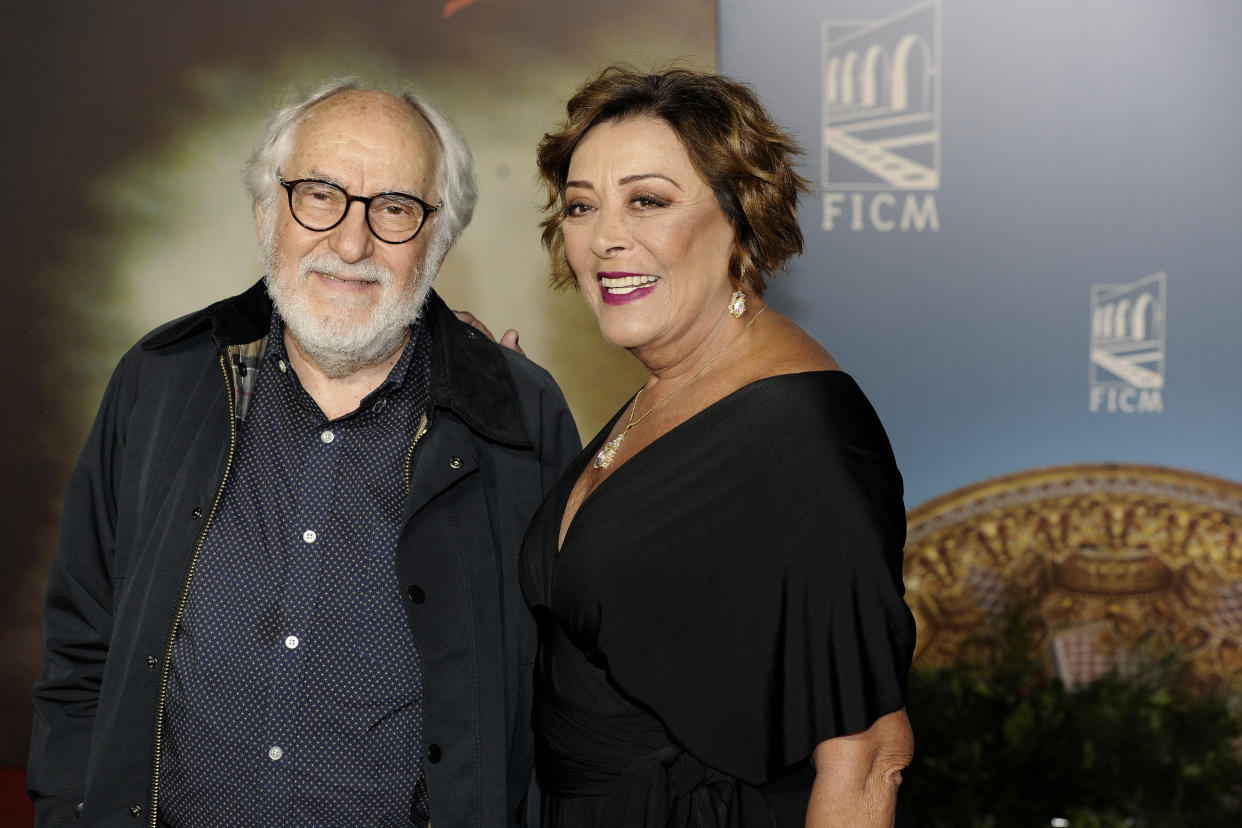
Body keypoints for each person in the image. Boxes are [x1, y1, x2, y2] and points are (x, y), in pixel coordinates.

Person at [28, 80, 579, 827]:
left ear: (437, 241)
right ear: (266, 213)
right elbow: (82, 651)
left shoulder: (518, 416)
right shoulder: (159, 384)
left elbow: (558, 699)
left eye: (393, 207)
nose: (351, 243)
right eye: (319, 194)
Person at [520, 67, 916, 827]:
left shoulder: (798, 432)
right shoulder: (668, 390)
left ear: (741, 215)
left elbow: (868, 756)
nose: (605, 238)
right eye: (581, 206)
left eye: (648, 201)